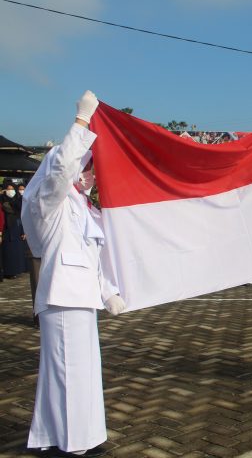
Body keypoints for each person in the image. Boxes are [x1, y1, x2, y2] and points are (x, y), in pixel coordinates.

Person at [22, 90, 127, 457]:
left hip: (81, 297)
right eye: (85, 168)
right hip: (61, 295)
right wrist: (82, 122)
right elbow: (60, 167)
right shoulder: (46, 202)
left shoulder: (83, 208)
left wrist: (108, 291)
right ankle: (71, 444)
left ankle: (77, 435)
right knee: (68, 372)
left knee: (82, 373)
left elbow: (92, 258)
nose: (89, 175)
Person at [1, 181, 27, 278]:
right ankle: (8, 272)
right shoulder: (2, 199)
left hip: (17, 228)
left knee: (16, 252)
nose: (10, 191)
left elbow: (22, 215)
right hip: (6, 230)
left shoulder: (18, 200)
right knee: (7, 252)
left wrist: (23, 230)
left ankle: (16, 270)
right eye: (8, 189)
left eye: (12, 189)